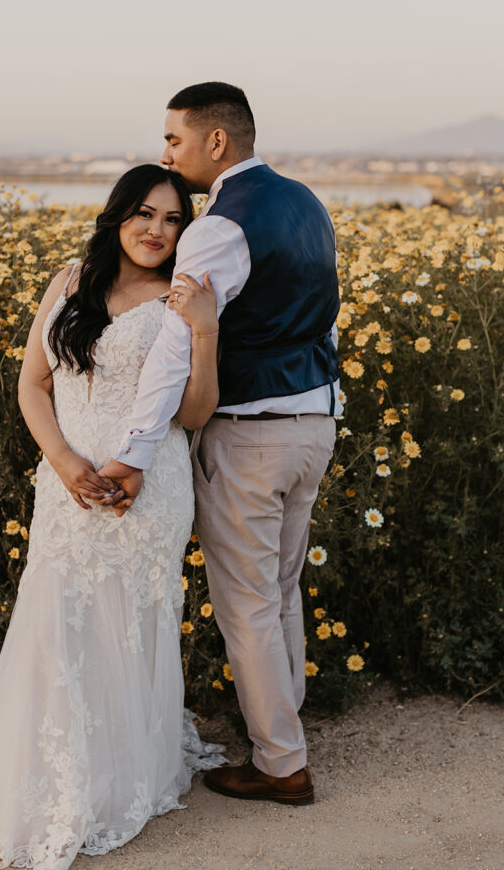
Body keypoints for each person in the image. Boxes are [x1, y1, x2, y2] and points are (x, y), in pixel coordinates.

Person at [0, 164, 225, 870]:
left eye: (172, 219)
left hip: (148, 489)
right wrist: (63, 461)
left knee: (127, 623)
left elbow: (192, 415)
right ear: (117, 216)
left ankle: (125, 767)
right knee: (56, 619)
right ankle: (51, 766)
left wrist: (207, 331)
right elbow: (32, 383)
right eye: (144, 214)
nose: (157, 230)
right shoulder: (70, 280)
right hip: (65, 481)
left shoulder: (181, 298)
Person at [99, 82, 341, 806]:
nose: (165, 152)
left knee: (245, 604)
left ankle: (279, 764)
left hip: (250, 434)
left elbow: (175, 349)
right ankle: (282, 732)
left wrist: (134, 452)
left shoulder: (216, 227)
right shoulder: (307, 203)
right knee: (279, 590)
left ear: (215, 141)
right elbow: (323, 320)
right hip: (313, 423)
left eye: (173, 139)